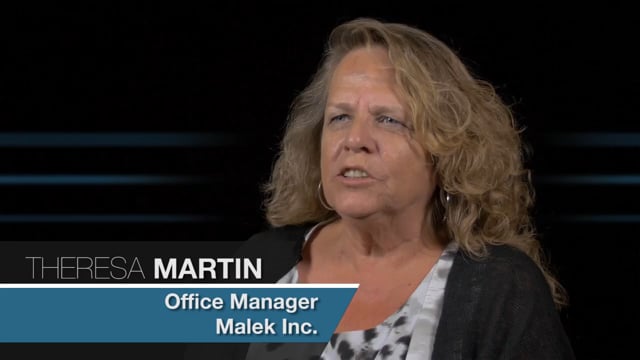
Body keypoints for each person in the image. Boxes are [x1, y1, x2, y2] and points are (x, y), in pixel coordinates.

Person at [185, 17, 575, 360]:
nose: (355, 140)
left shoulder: (501, 288)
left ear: (446, 150)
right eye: (339, 117)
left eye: (388, 120)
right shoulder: (261, 261)